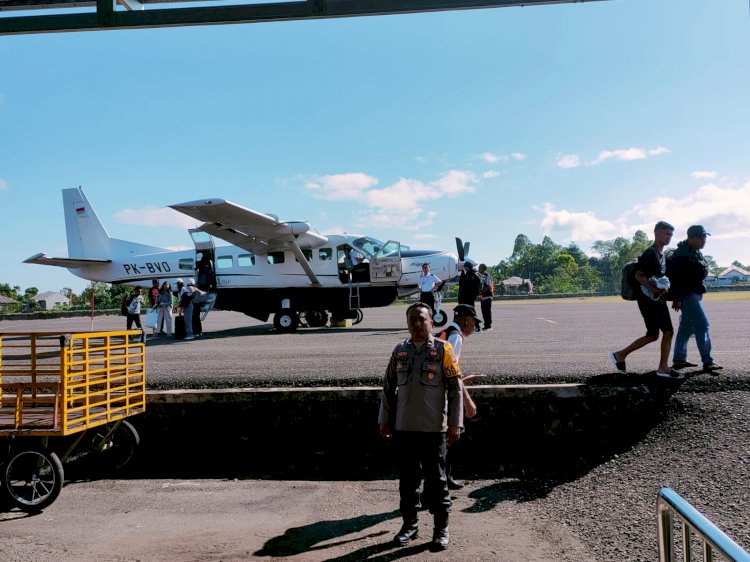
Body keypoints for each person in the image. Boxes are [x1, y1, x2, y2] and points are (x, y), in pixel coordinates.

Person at [378, 302, 463, 551]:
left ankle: (441, 529)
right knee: (408, 481)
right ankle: (409, 525)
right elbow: (388, 387)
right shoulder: (400, 351)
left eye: (421, 319)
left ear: (431, 322)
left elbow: (455, 390)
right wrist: (384, 419)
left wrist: (455, 423)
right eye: (412, 319)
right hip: (404, 427)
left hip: (434, 428)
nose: (417, 324)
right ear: (407, 323)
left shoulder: (443, 349)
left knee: (436, 481)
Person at [609, 221, 678, 378]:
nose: (669, 237)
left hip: (654, 299)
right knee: (668, 331)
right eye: (666, 234)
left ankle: (620, 355)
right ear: (657, 233)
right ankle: (663, 368)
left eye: (671, 234)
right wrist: (654, 289)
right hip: (649, 300)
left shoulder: (661, 255)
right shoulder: (650, 254)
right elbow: (638, 275)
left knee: (653, 334)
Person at [437, 304, 480, 490]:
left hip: (438, 388)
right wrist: (466, 398)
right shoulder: (456, 337)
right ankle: (443, 480)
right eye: (474, 322)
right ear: (467, 320)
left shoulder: (447, 332)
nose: (474, 327)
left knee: (447, 437)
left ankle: (446, 478)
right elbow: (451, 370)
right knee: (449, 436)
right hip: (444, 393)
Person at [670, 225, 722, 373]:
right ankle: (708, 361)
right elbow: (676, 278)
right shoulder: (681, 254)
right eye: (701, 237)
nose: (704, 240)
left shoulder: (695, 252)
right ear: (691, 238)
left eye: (705, 237)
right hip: (688, 295)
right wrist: (677, 297)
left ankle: (679, 359)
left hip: (693, 294)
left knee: (686, 328)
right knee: (702, 325)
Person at [458, 261, 482, 331]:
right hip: (464, 297)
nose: (464, 268)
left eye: (465, 266)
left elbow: (478, 286)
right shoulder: (466, 274)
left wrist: (475, 294)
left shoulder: (473, 274)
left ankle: (477, 326)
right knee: (466, 312)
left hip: (468, 297)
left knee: (470, 312)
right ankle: (470, 326)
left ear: (467, 267)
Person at [477, 264, 494, 331]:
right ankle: (486, 325)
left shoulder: (487, 276)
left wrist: (481, 292)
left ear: (483, 269)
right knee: (484, 311)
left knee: (487, 311)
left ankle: (488, 326)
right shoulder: (480, 275)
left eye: (479, 268)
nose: (478, 269)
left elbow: (488, 286)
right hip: (483, 296)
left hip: (487, 296)